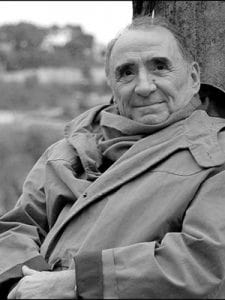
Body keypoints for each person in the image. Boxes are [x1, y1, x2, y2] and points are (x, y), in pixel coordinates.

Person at [1, 15, 225, 299]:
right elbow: (14, 227)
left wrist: (74, 283)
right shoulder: (66, 150)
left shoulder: (216, 153)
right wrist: (22, 283)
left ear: (193, 78)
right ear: (112, 85)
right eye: (127, 72)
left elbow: (204, 263)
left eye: (160, 66)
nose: (144, 86)